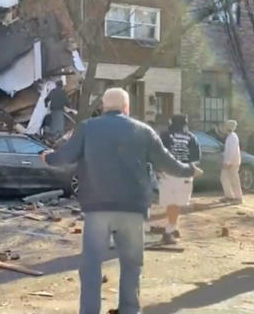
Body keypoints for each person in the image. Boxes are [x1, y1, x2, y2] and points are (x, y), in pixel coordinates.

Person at [41, 88, 203, 314]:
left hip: (97, 207)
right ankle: (129, 309)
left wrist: (48, 157)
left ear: (103, 107)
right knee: (131, 264)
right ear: (127, 108)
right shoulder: (143, 130)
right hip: (133, 208)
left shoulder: (88, 127)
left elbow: (65, 157)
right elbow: (167, 162)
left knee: (91, 266)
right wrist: (189, 170)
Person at [159, 114, 201, 244]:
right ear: (185, 124)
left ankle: (173, 226)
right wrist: (193, 170)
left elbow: (158, 154)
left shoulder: (164, 135)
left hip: (167, 172)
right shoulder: (191, 137)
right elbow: (195, 158)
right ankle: (169, 230)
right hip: (184, 173)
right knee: (177, 203)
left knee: (171, 202)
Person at [220, 119, 243, 205]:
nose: (224, 127)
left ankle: (238, 198)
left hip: (232, 163)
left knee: (234, 180)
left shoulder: (233, 137)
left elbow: (232, 151)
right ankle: (229, 196)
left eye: (225, 126)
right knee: (224, 178)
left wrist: (228, 163)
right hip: (229, 162)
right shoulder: (230, 136)